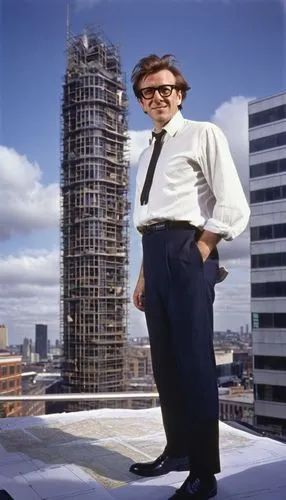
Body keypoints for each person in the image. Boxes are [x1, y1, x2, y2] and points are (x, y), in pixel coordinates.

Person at [130, 54, 250, 500]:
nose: (158, 96)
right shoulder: (145, 154)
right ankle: (177, 451)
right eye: (148, 91)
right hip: (153, 253)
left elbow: (232, 202)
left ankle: (204, 472)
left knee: (196, 365)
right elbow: (148, 217)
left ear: (179, 94)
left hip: (187, 249)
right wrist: (144, 275)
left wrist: (201, 249)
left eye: (166, 89)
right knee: (165, 365)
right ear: (141, 102)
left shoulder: (204, 134)